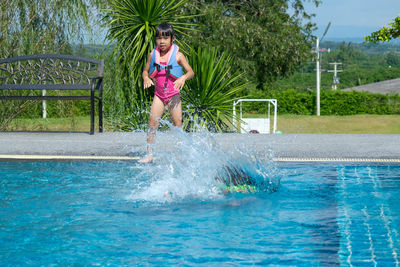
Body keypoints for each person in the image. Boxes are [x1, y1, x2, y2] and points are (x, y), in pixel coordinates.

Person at [139, 22, 194, 163]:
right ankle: (150, 153)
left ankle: (179, 152)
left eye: (165, 38)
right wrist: (146, 77)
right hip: (159, 95)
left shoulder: (178, 56)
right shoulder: (153, 54)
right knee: (152, 123)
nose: (162, 42)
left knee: (177, 123)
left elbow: (191, 72)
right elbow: (145, 71)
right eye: (158, 38)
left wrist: (183, 78)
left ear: (172, 39)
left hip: (173, 95)